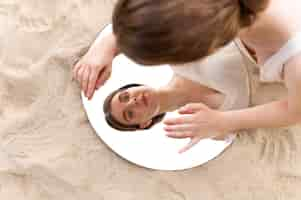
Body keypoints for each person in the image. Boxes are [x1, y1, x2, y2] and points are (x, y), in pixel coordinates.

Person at [74, 0, 301, 152]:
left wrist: (223, 121)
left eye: (124, 97)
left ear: (207, 52)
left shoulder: (294, 60)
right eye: (129, 112)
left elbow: (296, 111)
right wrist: (110, 42)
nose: (132, 100)